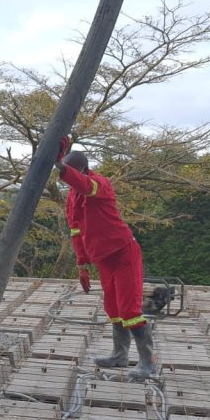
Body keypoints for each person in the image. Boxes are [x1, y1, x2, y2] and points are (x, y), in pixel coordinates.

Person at [55, 138, 155, 380]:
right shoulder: (72, 197)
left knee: (130, 309)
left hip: (123, 253)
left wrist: (58, 165)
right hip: (103, 258)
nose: (71, 184)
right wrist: (82, 264)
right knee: (113, 308)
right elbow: (76, 229)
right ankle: (119, 355)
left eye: (73, 175)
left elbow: (86, 186)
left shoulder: (100, 184)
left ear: (83, 171)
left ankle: (147, 363)